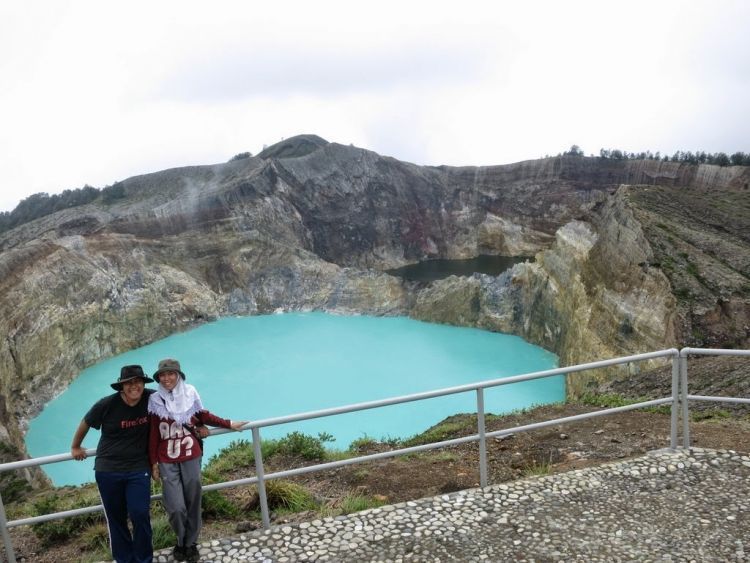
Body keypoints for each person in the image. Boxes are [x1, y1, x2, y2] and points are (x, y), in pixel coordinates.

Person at [147, 358, 247, 563]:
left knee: (193, 500)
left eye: (171, 374)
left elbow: (203, 415)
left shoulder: (190, 393)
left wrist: (229, 423)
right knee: (175, 507)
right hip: (167, 458)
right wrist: (153, 462)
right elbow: (153, 435)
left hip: (191, 455)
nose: (167, 379)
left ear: (179, 376)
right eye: (163, 375)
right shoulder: (155, 400)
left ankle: (189, 543)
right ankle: (181, 538)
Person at [71, 365, 155, 563]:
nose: (134, 386)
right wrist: (75, 446)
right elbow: (86, 422)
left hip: (138, 467)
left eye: (138, 382)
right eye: (129, 383)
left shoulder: (152, 398)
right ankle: (124, 559)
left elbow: (178, 404)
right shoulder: (107, 404)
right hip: (108, 469)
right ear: (122, 386)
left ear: (143, 383)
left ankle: (144, 559)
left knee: (140, 513)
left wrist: (198, 424)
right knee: (116, 518)